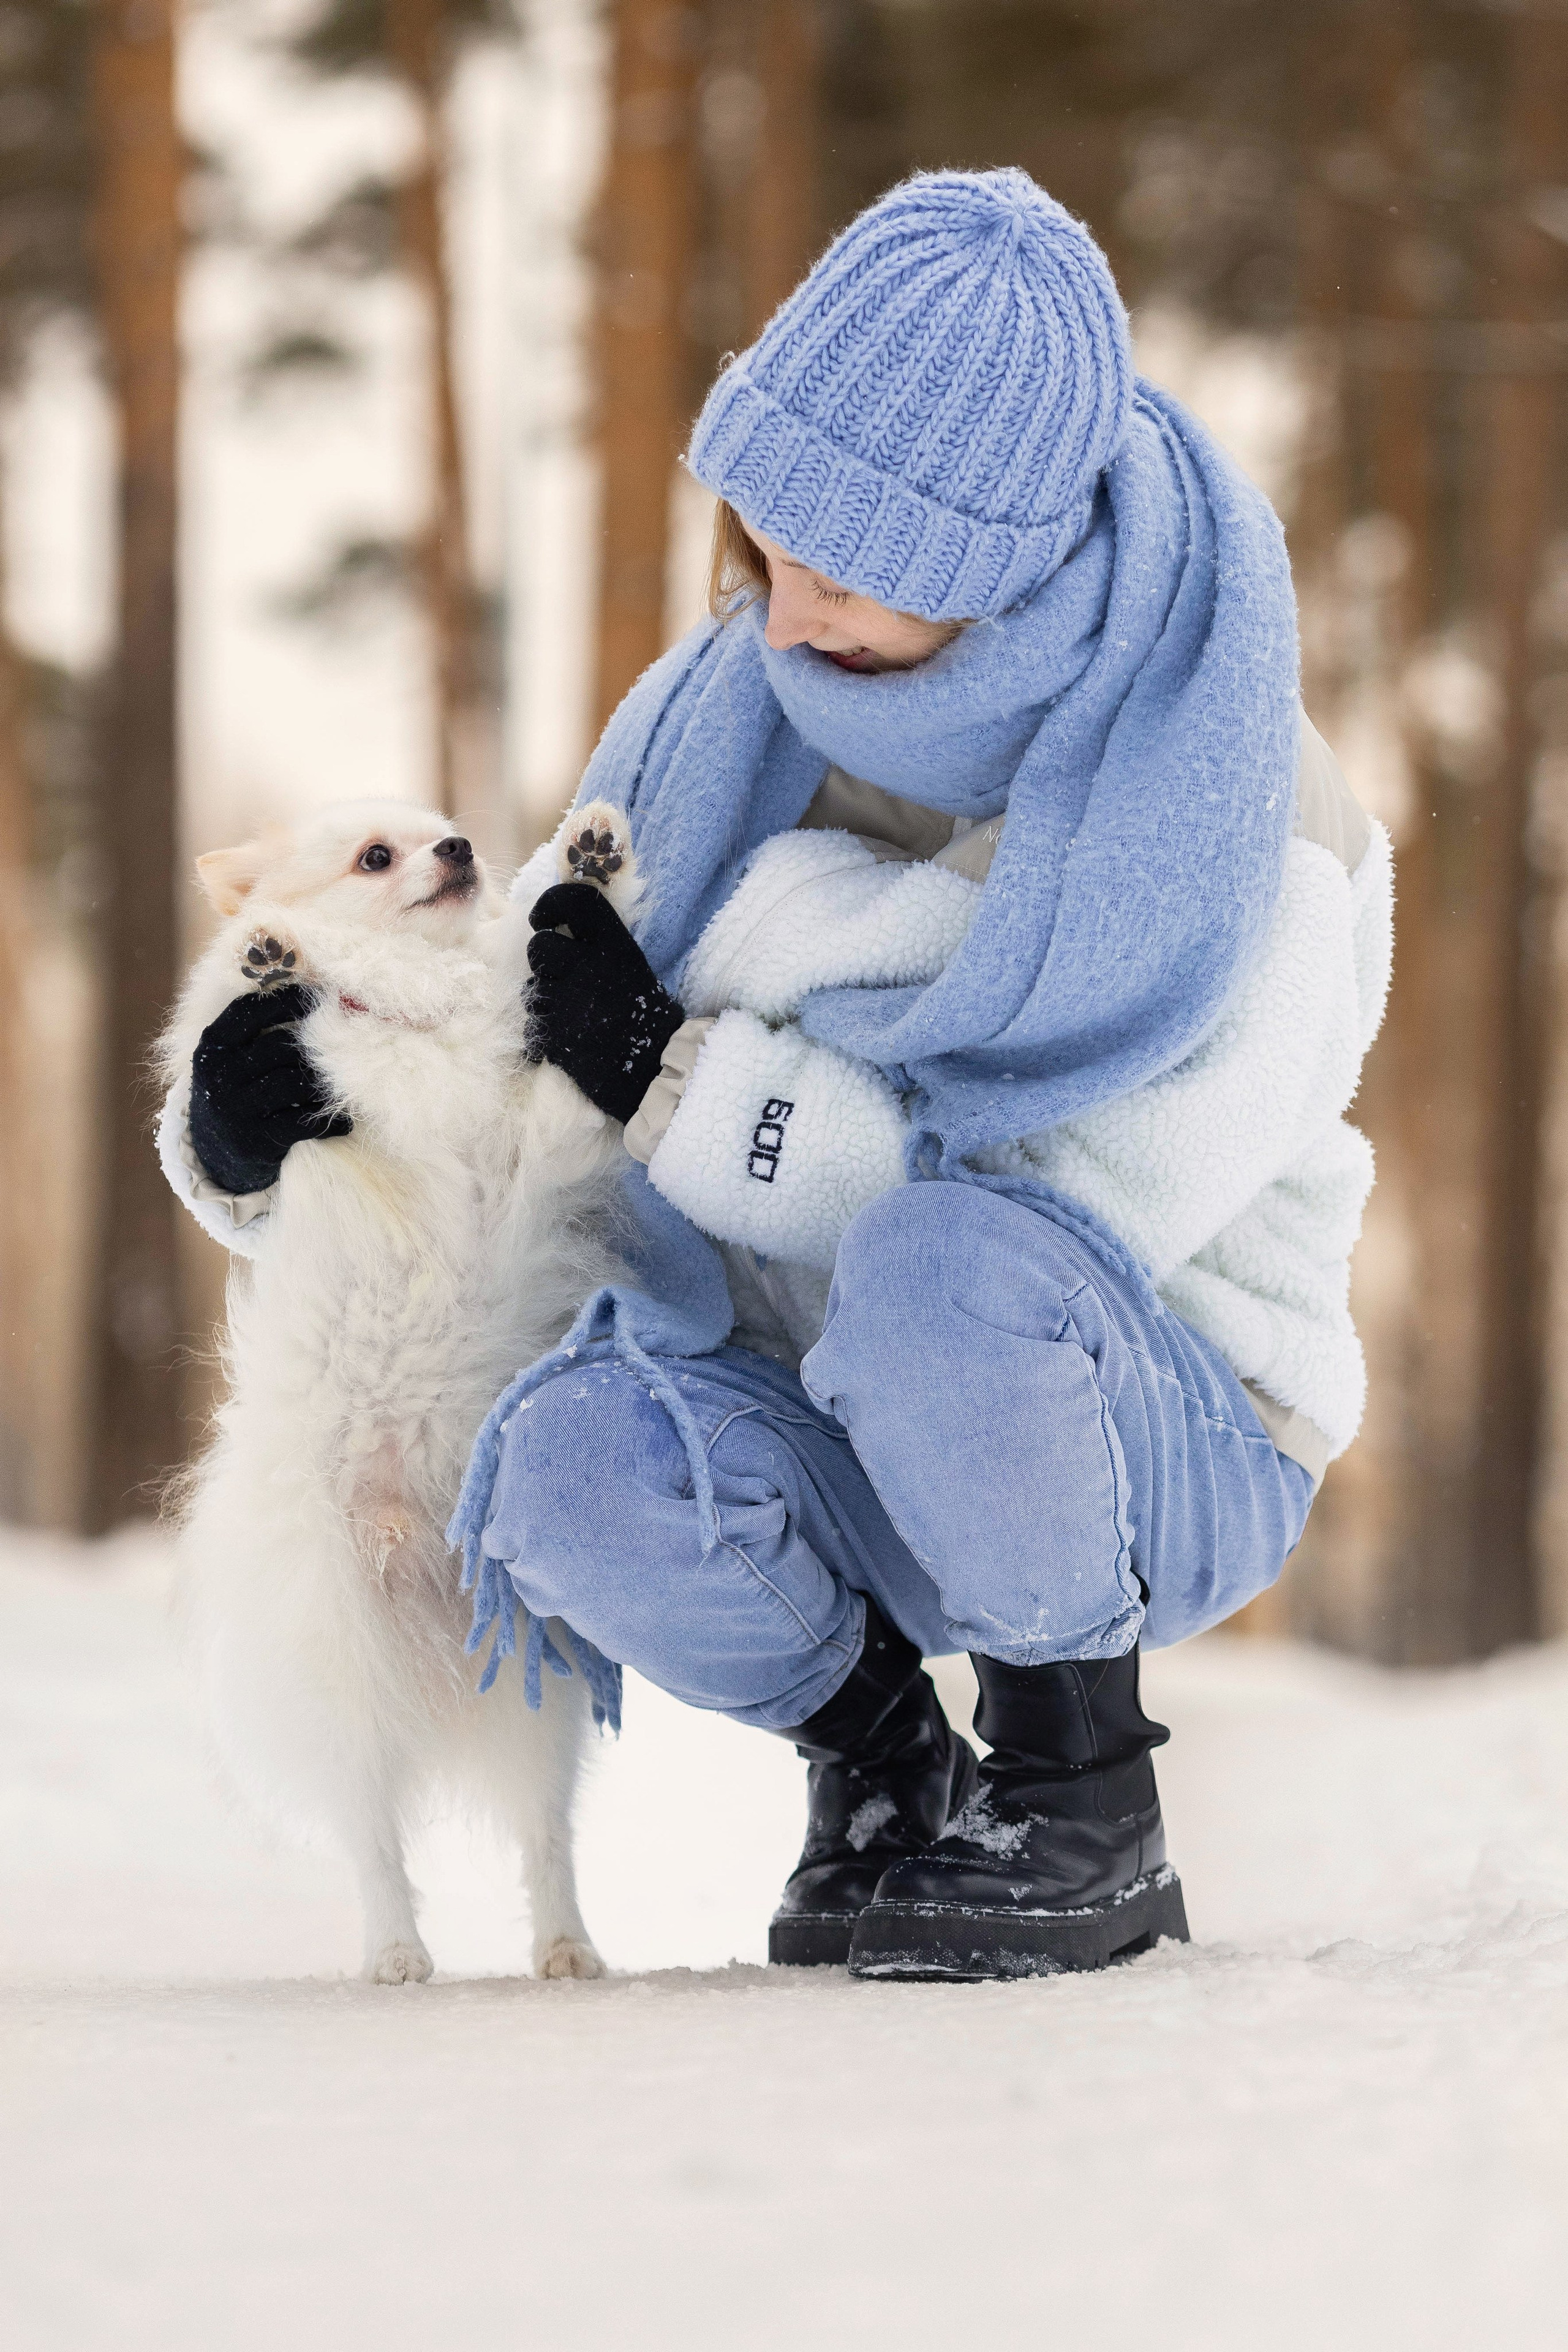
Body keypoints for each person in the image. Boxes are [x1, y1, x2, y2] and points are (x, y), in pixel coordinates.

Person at [167, 169, 1391, 1981]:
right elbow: (521, 1128)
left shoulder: (1237, 818)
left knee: (942, 1262)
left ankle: (1077, 1798)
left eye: (844, 575)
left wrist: (677, 1082)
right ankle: (892, 1777)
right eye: (762, 550)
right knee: (565, 1457)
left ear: (1000, 567)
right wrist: (264, 1142)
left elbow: (1069, 1220)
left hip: (1151, 1425)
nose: (781, 616)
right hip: (847, 1400)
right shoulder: (731, 733)